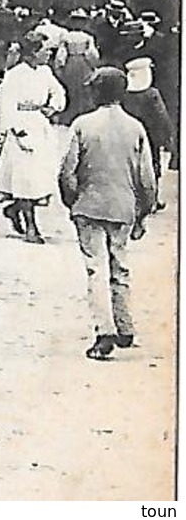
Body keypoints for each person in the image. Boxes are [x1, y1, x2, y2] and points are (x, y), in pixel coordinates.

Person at [59, 67, 158, 361]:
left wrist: (73, 202)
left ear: (97, 91)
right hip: (123, 206)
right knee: (120, 266)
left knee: (95, 269)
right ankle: (125, 325)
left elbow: (67, 172)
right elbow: (147, 179)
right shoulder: (136, 127)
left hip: (89, 205)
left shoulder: (82, 125)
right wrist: (143, 213)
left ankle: (104, 333)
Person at [0, 32, 67, 244]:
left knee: (39, 177)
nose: (48, 53)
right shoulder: (15, 75)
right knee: (24, 177)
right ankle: (32, 226)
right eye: (44, 50)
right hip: (21, 127)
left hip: (40, 125)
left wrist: (53, 106)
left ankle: (14, 209)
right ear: (32, 53)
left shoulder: (45, 72)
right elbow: (5, 104)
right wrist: (17, 129)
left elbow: (59, 92)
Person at [120, 57, 174, 211]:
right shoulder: (152, 94)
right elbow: (161, 115)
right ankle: (153, 199)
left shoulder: (124, 94)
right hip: (151, 136)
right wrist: (167, 135)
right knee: (152, 166)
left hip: (129, 135)